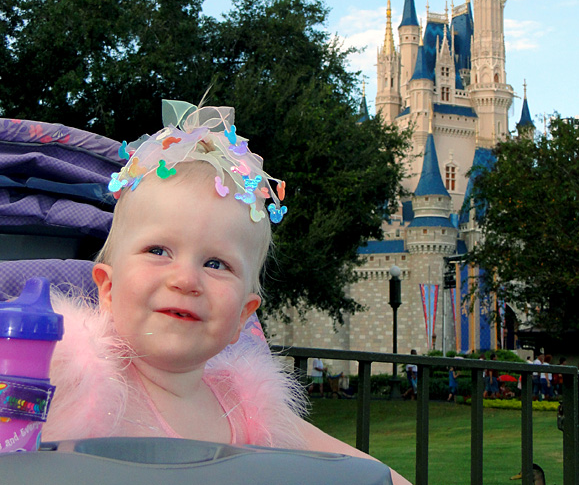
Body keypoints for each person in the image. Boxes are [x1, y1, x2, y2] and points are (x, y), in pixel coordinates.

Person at [42, 100, 410, 484]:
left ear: (242, 316)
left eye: (216, 264)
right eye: (158, 251)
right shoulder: (66, 379)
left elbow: (352, 467)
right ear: (108, 288)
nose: (185, 280)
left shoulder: (251, 410)